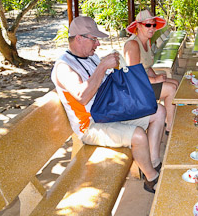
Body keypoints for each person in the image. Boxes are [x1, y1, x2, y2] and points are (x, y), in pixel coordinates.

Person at [51, 16, 166, 194]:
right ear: (79, 38)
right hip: (91, 125)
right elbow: (82, 96)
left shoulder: (90, 57)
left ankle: (154, 161)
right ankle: (151, 178)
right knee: (138, 136)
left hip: (109, 112)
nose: (97, 44)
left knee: (158, 111)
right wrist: (103, 66)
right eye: (94, 39)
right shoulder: (63, 67)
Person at [123, 10, 178, 134]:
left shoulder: (146, 41)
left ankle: (169, 119)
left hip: (144, 82)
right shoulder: (132, 45)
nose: (152, 28)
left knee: (174, 82)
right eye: (148, 25)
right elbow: (134, 75)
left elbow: (147, 66)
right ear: (138, 26)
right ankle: (170, 127)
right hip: (136, 89)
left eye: (153, 25)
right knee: (171, 89)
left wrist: (156, 76)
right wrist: (154, 80)